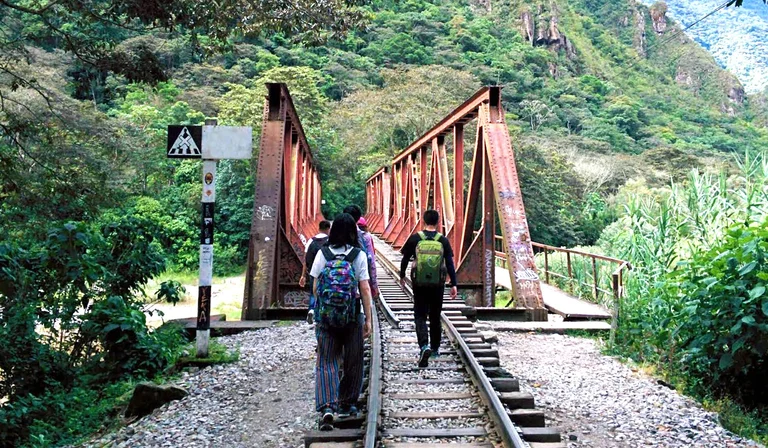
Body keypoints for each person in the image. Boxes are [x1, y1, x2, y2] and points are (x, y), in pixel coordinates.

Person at [310, 213, 373, 430]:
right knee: (353, 361)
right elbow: (364, 289)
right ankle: (347, 405)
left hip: (326, 319)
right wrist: (368, 320)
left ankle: (327, 406)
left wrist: (324, 309)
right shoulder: (358, 255)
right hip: (352, 316)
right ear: (353, 232)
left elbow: (316, 288)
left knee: (326, 360)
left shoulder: (322, 253)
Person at [399, 209, 458, 368]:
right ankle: (435, 348)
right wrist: (454, 284)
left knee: (419, 314)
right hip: (437, 284)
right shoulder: (443, 240)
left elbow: (405, 258)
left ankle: (423, 345)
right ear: (438, 222)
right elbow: (450, 264)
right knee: (435, 315)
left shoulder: (416, 238)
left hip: (419, 284)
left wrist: (402, 275)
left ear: (423, 221)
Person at [343, 205, 379, 299]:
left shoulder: (336, 235)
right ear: (358, 218)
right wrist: (374, 285)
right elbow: (371, 262)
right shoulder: (365, 237)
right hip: (359, 281)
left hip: (339, 281)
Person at [300, 220, 331, 323]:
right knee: (326, 292)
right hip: (327, 272)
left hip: (314, 271)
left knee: (313, 292)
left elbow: (305, 259)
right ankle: (324, 313)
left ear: (319, 228)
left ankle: (312, 309)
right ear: (328, 229)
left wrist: (303, 275)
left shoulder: (311, 241)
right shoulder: (330, 241)